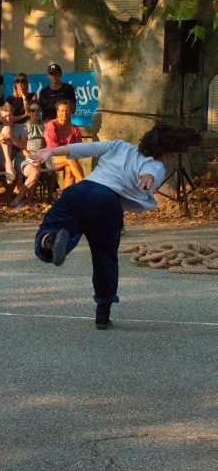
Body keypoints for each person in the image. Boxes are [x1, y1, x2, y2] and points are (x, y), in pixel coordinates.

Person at [32, 125, 199, 330]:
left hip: (78, 192)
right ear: (168, 152)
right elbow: (151, 170)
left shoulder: (118, 146)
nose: (175, 159)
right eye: (176, 154)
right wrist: (148, 177)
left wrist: (50, 151)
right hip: (106, 202)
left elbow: (82, 149)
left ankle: (49, 242)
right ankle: (103, 314)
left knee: (53, 227)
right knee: (105, 257)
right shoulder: (155, 165)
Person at [44, 99, 85, 189]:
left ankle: (65, 198)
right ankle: (86, 187)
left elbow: (79, 148)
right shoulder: (51, 125)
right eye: (62, 110)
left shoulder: (74, 128)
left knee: (70, 168)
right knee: (70, 160)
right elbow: (53, 148)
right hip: (50, 159)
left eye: (67, 110)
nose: (64, 113)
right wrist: (70, 152)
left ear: (71, 112)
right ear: (58, 112)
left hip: (68, 159)